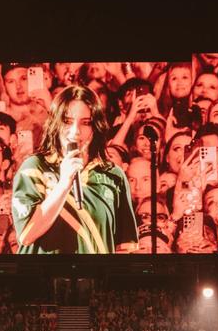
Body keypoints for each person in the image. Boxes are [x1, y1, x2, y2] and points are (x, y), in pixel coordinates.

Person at [11, 85, 138, 253]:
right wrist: (64, 184)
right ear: (55, 123)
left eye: (85, 123)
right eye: (67, 121)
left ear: (96, 127)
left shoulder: (114, 175)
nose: (75, 131)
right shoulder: (34, 167)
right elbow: (26, 235)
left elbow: (124, 247)